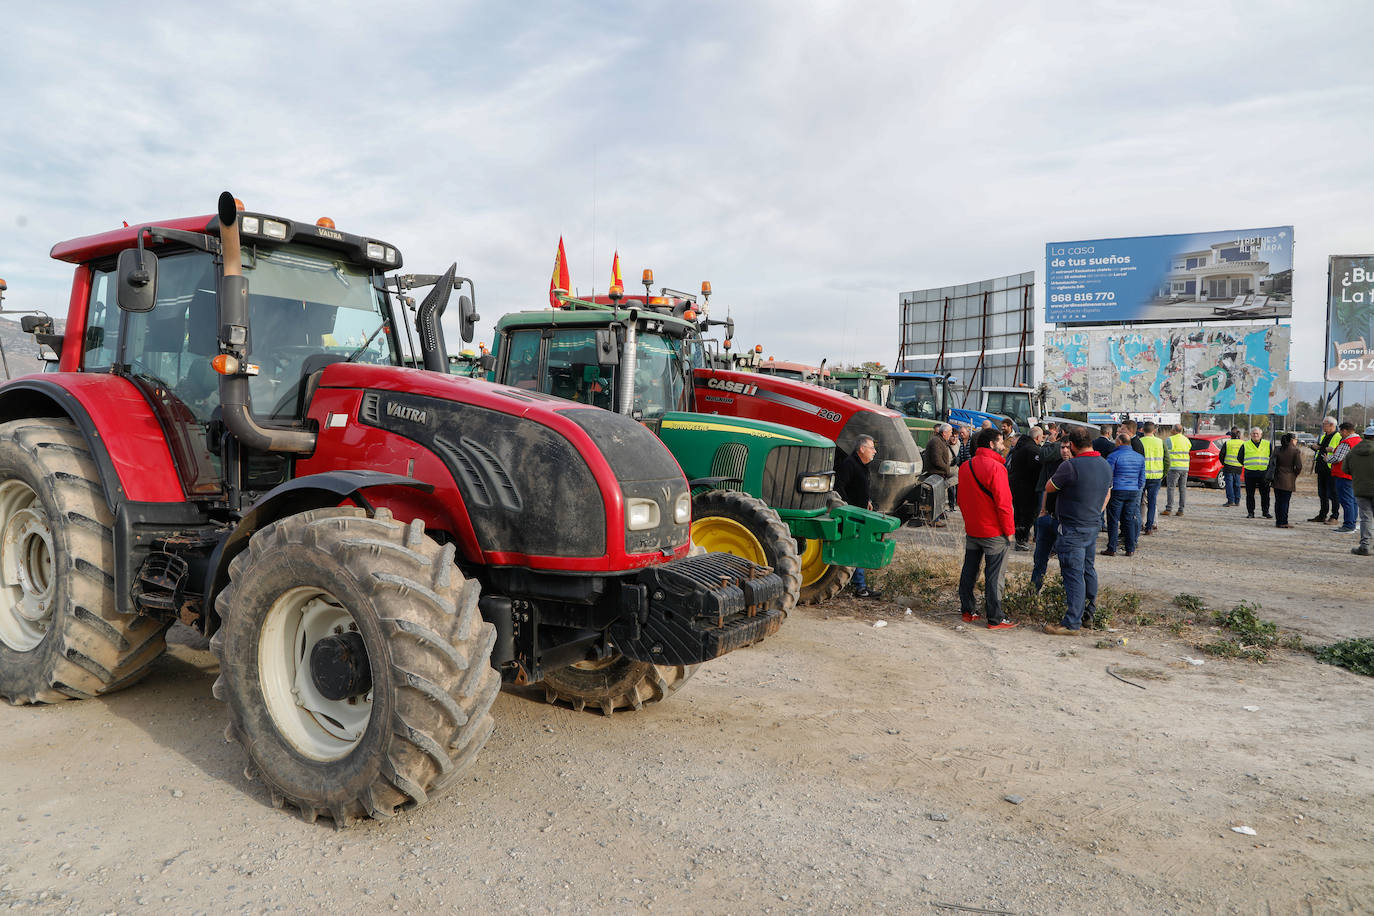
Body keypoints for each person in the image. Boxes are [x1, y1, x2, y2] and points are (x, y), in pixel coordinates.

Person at [1042, 427, 1112, 636]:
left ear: (1072, 446)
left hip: (1072, 527)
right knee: (1088, 570)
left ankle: (1072, 623)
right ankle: (1089, 615)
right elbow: (1107, 492)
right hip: (1093, 524)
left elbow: (1049, 487)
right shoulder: (1105, 465)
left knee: (1073, 575)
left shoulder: (1070, 466)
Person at [956, 427, 1017, 629]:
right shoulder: (997, 468)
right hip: (993, 532)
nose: (1003, 445)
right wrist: (1009, 531)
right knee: (994, 576)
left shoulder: (966, 466)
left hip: (973, 529)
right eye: (1000, 442)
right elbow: (1004, 504)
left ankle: (968, 610)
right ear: (991, 444)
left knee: (969, 570)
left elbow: (960, 499)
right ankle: (995, 617)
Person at [836, 434, 881, 597]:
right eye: (872, 448)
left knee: (859, 546)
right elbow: (839, 487)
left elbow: (860, 487)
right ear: (862, 449)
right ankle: (860, 586)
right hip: (852, 514)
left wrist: (867, 500)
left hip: (861, 511)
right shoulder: (849, 464)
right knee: (856, 547)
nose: (875, 451)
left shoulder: (862, 465)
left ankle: (859, 584)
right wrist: (848, 508)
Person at [1031, 440, 1073, 591]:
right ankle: (1032, 593)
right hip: (1048, 517)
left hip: (1065, 522)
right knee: (1039, 560)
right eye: (1062, 448)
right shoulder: (1054, 464)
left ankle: (1062, 597)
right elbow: (1046, 488)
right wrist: (1042, 512)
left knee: (1066, 563)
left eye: (1068, 448)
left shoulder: (1076, 467)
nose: (1065, 451)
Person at [1103, 432, 1144, 556]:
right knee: (1129, 519)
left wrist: (1107, 489)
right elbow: (1142, 477)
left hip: (1117, 490)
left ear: (1120, 442)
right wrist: (1138, 487)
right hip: (1133, 491)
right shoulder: (1139, 457)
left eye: (1116, 441)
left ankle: (1112, 548)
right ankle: (1130, 548)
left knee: (1113, 520)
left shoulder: (1113, 456)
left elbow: (1108, 475)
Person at [1006, 425, 1043, 551]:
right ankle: (1022, 539)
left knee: (1019, 513)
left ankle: (1020, 538)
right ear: (1038, 437)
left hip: (1017, 485)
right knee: (1028, 514)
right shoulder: (1032, 449)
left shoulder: (1019, 447)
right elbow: (1037, 467)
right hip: (1027, 487)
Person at [1326, 421, 1361, 534]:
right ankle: (1353, 522)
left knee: (1346, 501)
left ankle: (1348, 525)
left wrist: (1327, 459)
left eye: (1341, 431)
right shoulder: (1359, 441)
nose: (1340, 434)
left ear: (1345, 431)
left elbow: (1338, 458)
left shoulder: (1347, 442)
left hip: (1344, 475)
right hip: (1355, 474)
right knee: (1353, 501)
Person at [1344, 425, 1374, 556]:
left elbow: (1345, 469)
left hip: (1361, 489)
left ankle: (1365, 546)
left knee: (1365, 518)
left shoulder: (1354, 450)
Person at [921, 423, 956, 526]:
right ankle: (934, 520)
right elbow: (937, 461)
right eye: (950, 432)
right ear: (944, 433)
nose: (951, 435)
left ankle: (936, 516)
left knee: (936, 497)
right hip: (935, 473)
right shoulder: (936, 442)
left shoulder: (940, 441)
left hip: (939, 473)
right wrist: (947, 470)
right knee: (934, 498)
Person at [1309, 416, 1342, 523]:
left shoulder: (1337, 436)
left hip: (1331, 469)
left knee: (1333, 493)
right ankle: (1322, 514)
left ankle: (1334, 515)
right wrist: (1315, 447)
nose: (1323, 426)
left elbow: (1336, 450)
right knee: (1322, 493)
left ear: (1332, 425)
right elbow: (1322, 447)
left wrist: (1321, 448)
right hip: (1322, 468)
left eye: (1325, 424)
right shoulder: (1325, 436)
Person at [1238, 426, 1272, 519]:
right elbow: (1239, 458)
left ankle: (1265, 512)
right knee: (1250, 494)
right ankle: (1250, 512)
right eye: (1253, 433)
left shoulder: (1267, 444)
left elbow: (1271, 457)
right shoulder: (1245, 445)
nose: (1255, 435)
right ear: (1250, 435)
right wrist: (1247, 465)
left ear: (1261, 435)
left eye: (1257, 433)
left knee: (1265, 494)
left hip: (1264, 473)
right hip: (1250, 473)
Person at [1271, 432, 1303, 529]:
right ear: (1291, 440)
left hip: (1276, 477)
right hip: (1288, 479)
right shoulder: (1295, 451)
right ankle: (1284, 521)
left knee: (1278, 501)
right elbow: (1299, 466)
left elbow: (1272, 463)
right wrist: (1294, 474)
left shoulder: (1277, 449)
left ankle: (1278, 521)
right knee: (1285, 501)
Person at [1139, 421, 1165, 534]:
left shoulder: (1139, 442)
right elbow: (1166, 459)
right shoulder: (1160, 442)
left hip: (1142, 476)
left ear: (1142, 430)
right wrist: (1163, 474)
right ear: (1154, 430)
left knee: (1139, 502)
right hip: (1156, 476)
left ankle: (1139, 524)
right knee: (1152, 503)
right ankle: (1149, 527)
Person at [1161, 424, 1191, 517]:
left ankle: (1169, 508)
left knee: (1171, 488)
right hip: (1185, 467)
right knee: (1182, 489)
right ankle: (1181, 510)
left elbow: (1165, 452)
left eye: (1172, 429)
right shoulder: (1186, 440)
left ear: (1174, 430)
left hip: (1174, 467)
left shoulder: (1170, 440)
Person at [1220, 427, 1245, 508]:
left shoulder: (1227, 443)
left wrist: (1224, 463)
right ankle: (1237, 501)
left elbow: (1221, 455)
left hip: (1228, 466)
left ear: (1231, 436)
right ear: (1240, 436)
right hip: (1238, 467)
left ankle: (1230, 501)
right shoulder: (1243, 443)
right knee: (1237, 484)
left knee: (1229, 484)